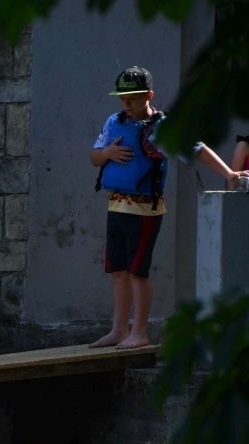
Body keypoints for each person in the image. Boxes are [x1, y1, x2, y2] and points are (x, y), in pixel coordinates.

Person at [89, 66, 249, 350]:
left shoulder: (161, 127)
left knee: (139, 270)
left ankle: (140, 332)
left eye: (134, 97)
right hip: (116, 206)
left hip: (144, 210)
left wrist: (229, 174)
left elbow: (196, 149)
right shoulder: (114, 121)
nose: (127, 103)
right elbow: (95, 156)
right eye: (123, 97)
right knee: (118, 271)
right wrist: (108, 153)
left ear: (149, 95)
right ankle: (119, 329)